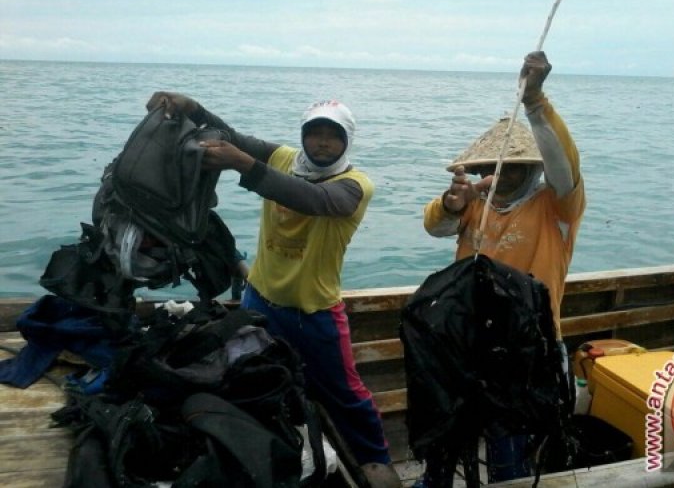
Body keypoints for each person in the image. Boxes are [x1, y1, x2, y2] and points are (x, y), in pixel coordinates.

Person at [144, 93, 398, 485]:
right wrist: (193, 109)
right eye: (314, 133)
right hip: (259, 299)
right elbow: (231, 136)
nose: (323, 143)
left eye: (333, 135)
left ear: (347, 140)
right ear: (303, 136)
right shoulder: (281, 158)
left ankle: (375, 460)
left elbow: (312, 199)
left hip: (313, 312)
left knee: (346, 393)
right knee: (259, 379)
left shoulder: (354, 185)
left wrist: (243, 165)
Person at [420, 50, 586, 484]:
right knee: (446, 439)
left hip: (528, 350)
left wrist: (534, 101)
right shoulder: (475, 204)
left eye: (516, 166)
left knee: (509, 449)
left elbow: (565, 167)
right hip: (467, 343)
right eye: (498, 166)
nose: (506, 175)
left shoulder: (557, 206)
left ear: (533, 167)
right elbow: (435, 227)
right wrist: (452, 203)